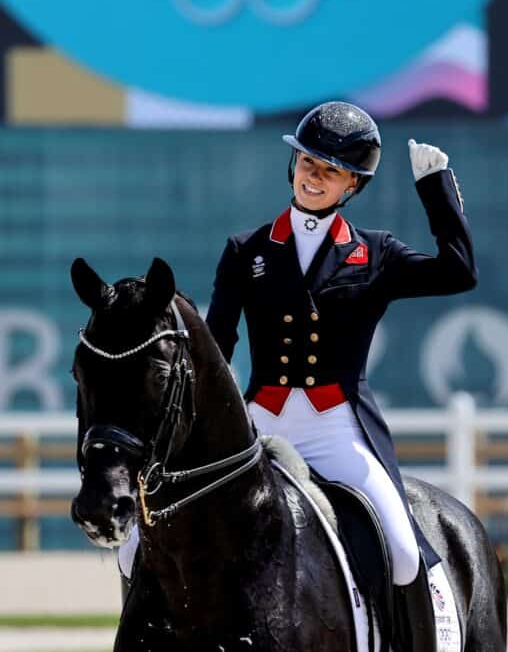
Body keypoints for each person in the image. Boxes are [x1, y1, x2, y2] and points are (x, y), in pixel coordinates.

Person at [196, 100, 476, 646]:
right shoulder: (247, 250)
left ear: (352, 184)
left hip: (336, 428)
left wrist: (437, 191)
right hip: (259, 426)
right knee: (146, 538)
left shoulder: (374, 253)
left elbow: (458, 271)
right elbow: (218, 346)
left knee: (399, 550)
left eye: (329, 170)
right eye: (307, 163)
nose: (313, 177)